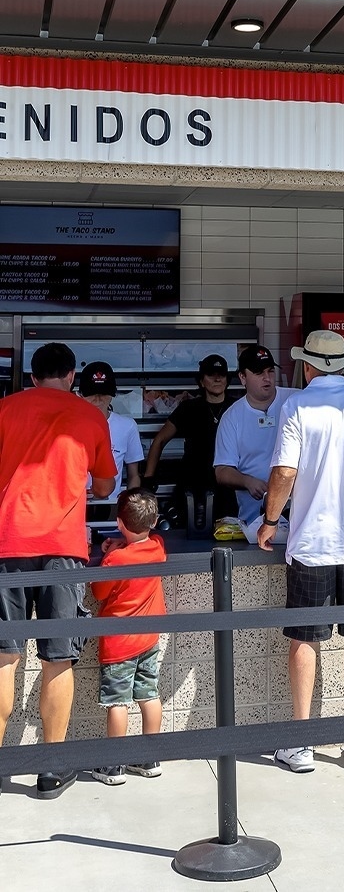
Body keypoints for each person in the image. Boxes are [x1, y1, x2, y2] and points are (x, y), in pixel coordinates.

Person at [258, 330, 344, 775]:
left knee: (304, 638)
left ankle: (301, 745)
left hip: (312, 543)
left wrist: (269, 521)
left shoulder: (297, 406)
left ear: (308, 366)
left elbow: (284, 472)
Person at [0, 342, 115, 798]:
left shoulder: (5, 410)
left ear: (32, 376)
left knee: (4, 657)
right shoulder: (91, 416)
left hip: (7, 544)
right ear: (71, 376)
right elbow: (105, 484)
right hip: (63, 551)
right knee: (58, 657)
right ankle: (51, 769)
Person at [88, 489, 167, 785]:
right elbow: (150, 541)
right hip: (149, 638)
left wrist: (110, 553)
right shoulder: (157, 548)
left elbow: (99, 592)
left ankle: (113, 765)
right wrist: (121, 546)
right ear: (154, 521)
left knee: (117, 702)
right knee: (149, 695)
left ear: (119, 523)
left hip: (118, 642)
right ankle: (150, 758)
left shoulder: (115, 560)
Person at [142, 354, 236, 524]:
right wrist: (148, 479)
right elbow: (160, 440)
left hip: (228, 486)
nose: (217, 379)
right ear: (201, 381)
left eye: (221, 375)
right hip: (192, 485)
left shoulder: (237, 407)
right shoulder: (189, 408)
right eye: (211, 375)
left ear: (227, 380)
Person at [214, 345, 298, 532]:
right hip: (253, 521)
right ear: (242, 378)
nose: (267, 378)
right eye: (259, 373)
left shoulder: (296, 401)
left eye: (270, 371)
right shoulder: (232, 417)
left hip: (299, 515)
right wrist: (247, 482)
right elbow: (222, 470)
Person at [80, 361, 143, 502]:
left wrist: (131, 505)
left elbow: (134, 475)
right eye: (91, 394)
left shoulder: (127, 426)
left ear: (112, 394)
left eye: (103, 394)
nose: (98, 399)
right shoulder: (70, 425)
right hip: (76, 506)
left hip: (111, 505)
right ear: (81, 394)